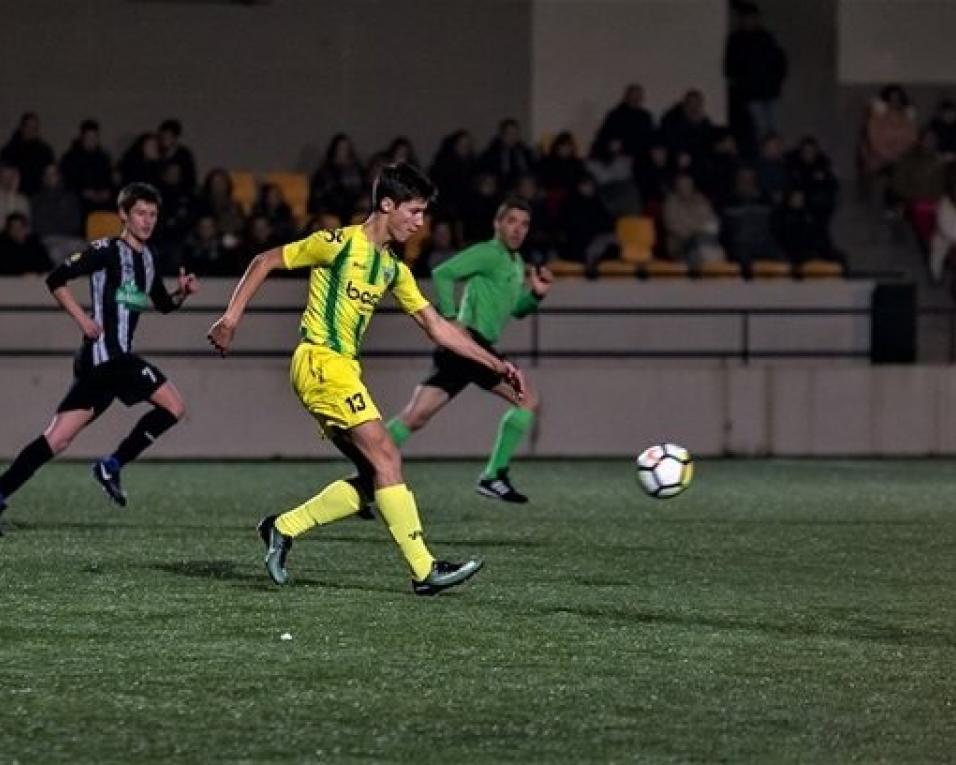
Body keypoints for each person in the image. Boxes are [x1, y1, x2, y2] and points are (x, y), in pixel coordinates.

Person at [206, 163, 525, 595]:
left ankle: (282, 528)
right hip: (320, 360)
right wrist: (230, 318)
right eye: (414, 211)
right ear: (386, 205)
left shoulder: (394, 269)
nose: (420, 222)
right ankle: (424, 570)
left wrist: (494, 363)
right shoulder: (336, 244)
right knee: (387, 457)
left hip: (342, 369)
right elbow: (265, 260)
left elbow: (439, 328)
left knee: (377, 474)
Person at [0, 183, 199, 531]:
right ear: (123, 214)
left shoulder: (149, 258)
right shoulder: (107, 250)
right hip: (107, 357)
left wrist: (180, 294)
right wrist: (82, 319)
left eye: (152, 214)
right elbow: (56, 278)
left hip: (106, 364)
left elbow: (162, 305)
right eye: (140, 213)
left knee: (58, 438)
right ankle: (112, 464)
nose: (147, 221)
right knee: (175, 407)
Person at [384, 195, 551, 504]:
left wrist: (536, 296)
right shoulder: (489, 253)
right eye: (511, 221)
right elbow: (442, 273)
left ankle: (368, 474)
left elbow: (514, 309)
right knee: (527, 399)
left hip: (464, 349)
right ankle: (494, 476)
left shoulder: (515, 264)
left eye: (524, 224)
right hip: (470, 344)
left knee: (415, 417)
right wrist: (449, 320)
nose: (518, 229)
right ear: (497, 224)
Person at [724, 2, 788, 153]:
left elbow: (779, 60)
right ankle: (766, 156)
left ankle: (775, 155)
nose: (750, 21)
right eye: (747, 18)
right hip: (752, 94)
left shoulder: (765, 38)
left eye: (753, 18)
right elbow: (731, 67)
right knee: (761, 130)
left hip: (769, 91)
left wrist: (777, 79)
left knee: (774, 129)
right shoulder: (736, 40)